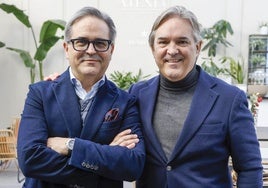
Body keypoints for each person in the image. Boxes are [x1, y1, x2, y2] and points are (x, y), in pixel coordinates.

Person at [128, 5, 263, 188]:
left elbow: (249, 168)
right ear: (153, 48)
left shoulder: (229, 99)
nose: (172, 50)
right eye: (163, 42)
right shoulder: (137, 94)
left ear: (198, 47)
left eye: (182, 42)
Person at [17, 6, 145, 188]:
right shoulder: (40, 94)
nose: (91, 50)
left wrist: (71, 146)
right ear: (66, 48)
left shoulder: (125, 101)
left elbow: (133, 165)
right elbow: (30, 159)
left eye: (100, 43)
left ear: (111, 49)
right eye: (81, 42)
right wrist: (104, 167)